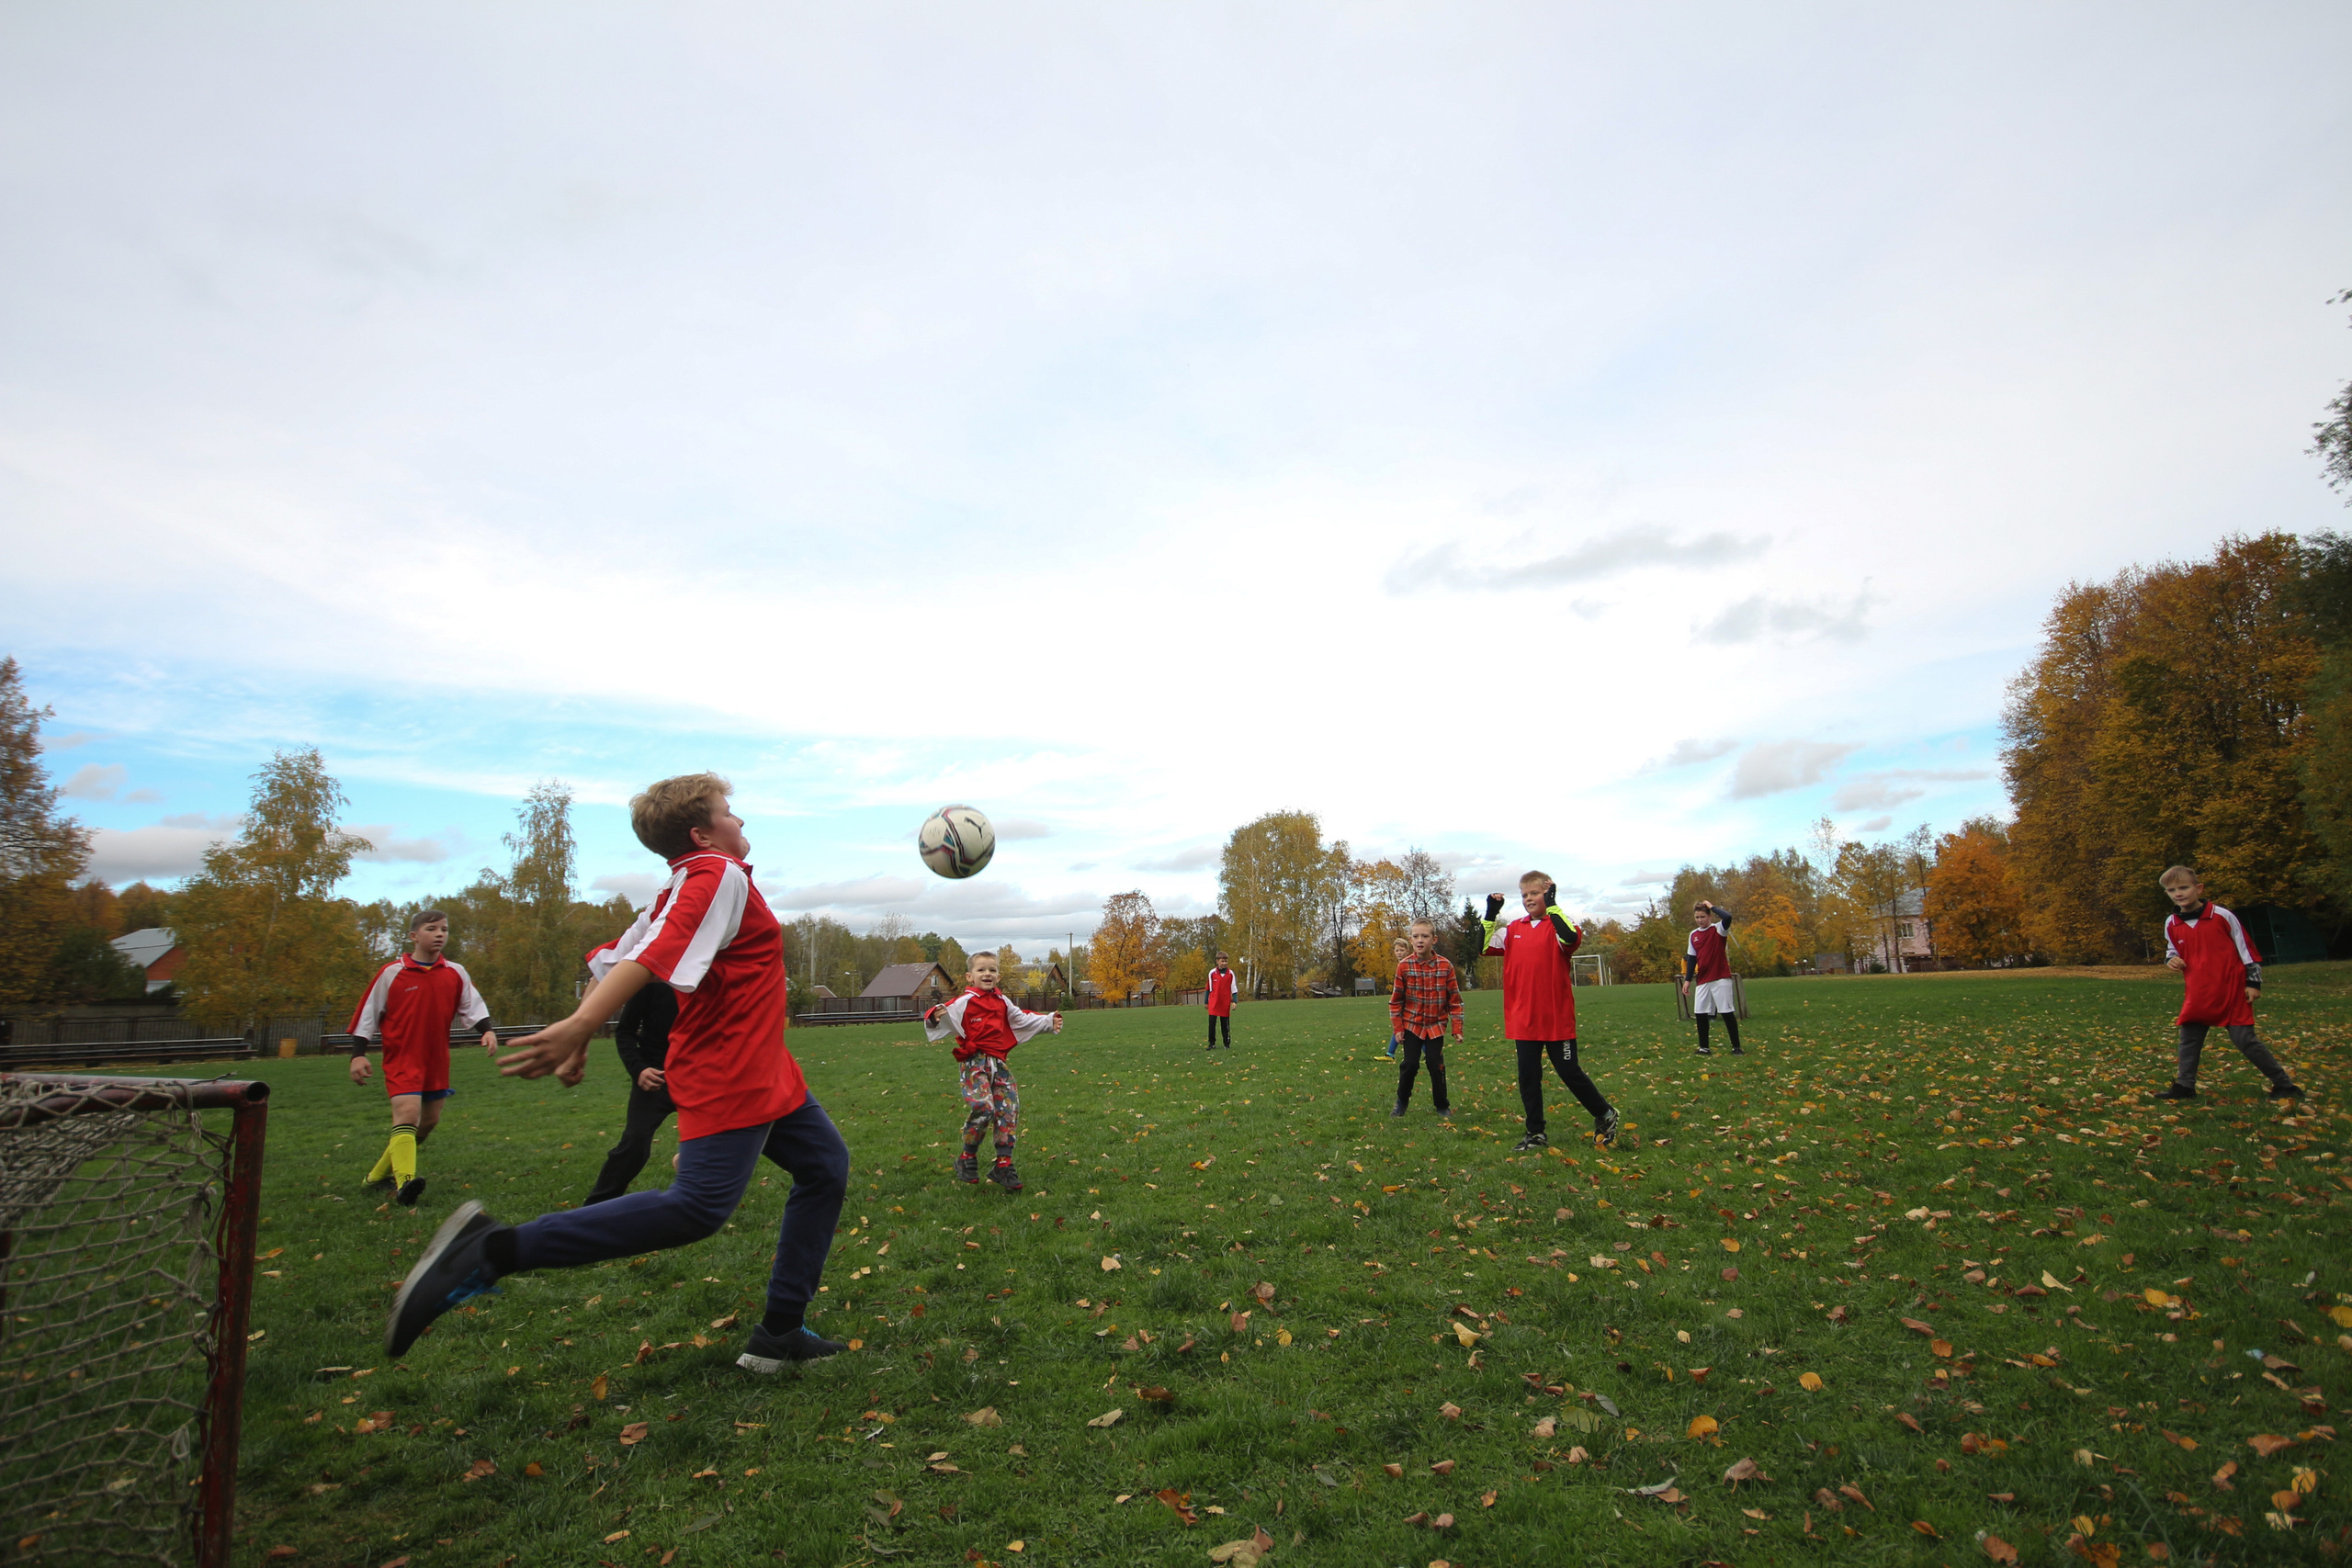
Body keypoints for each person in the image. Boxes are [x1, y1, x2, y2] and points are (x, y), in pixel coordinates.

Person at [383, 773, 852, 1374]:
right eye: (729, 811)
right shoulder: (717, 873)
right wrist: (582, 1025)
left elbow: (611, 960)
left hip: (765, 1066)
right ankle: (490, 1248)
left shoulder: (679, 887)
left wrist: (584, 1028)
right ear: (702, 832)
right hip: (730, 1069)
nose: (740, 821)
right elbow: (648, 959)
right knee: (697, 1209)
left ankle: (780, 1331)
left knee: (823, 1166)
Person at [347, 909, 499, 1208]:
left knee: (428, 1122)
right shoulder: (392, 972)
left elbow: (472, 1005)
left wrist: (487, 1030)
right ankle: (405, 1183)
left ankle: (375, 1177)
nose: (440, 934)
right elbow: (368, 1014)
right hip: (402, 1057)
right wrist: (358, 1054)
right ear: (414, 936)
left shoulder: (455, 972)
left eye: (444, 929)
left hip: (436, 1059)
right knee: (407, 1114)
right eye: (432, 929)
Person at [1482, 871, 1618, 1152]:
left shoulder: (1560, 925)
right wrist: (1491, 913)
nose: (1528, 899)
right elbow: (1483, 947)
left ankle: (1605, 1114)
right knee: (1528, 1077)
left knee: (1569, 1071)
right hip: (1524, 1017)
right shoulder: (1513, 930)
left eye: (1535, 893)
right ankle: (1536, 1133)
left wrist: (1553, 904)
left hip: (1556, 1016)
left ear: (1548, 893)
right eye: (1524, 895)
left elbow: (1570, 937)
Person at [2154, 866, 2301, 1101]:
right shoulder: (2172, 922)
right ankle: (2184, 1087)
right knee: (2189, 1039)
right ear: (2167, 894)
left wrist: (2253, 983)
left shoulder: (2222, 916)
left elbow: (2247, 951)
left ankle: (2285, 1086)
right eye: (2172, 890)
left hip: (2232, 990)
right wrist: (2171, 959)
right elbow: (2172, 949)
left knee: (2245, 1040)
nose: (2178, 893)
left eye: (2183, 887)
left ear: (2198, 888)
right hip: (2199, 992)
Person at [925, 950, 1063, 1190]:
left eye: (992, 970)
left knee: (1008, 1108)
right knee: (984, 1106)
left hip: (999, 1065)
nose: (987, 974)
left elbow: (1020, 1019)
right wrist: (934, 1017)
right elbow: (942, 1012)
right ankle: (967, 1157)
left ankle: (1003, 1165)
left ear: (998, 976)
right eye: (981, 970)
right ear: (970, 976)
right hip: (974, 1065)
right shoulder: (965, 1002)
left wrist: (1047, 1021)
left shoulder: (1002, 1001)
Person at [580, 981, 681, 1205]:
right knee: (634, 1145)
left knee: (735, 1135)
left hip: (698, 1076)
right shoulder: (652, 982)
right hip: (655, 1077)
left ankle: (688, 1161)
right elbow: (625, 1031)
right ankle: (595, 1208)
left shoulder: (710, 977)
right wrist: (639, 1069)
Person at [1389, 919, 1462, 1118]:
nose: (1420, 940)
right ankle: (1401, 1102)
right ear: (1411, 940)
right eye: (1416, 936)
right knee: (1410, 1064)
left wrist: (1457, 1028)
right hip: (1412, 1025)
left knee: (1435, 1064)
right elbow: (1396, 1002)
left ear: (1434, 939)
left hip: (1435, 1025)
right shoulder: (1404, 966)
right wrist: (1398, 1028)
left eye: (1425, 936)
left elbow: (1455, 1001)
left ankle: (1442, 1105)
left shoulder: (1445, 966)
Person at [1679, 899, 1743, 1056]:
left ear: (1709, 916)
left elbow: (1728, 917)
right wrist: (1687, 980)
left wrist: (1711, 906)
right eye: (1697, 917)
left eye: (1703, 916)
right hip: (1703, 979)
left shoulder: (1718, 929)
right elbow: (1692, 958)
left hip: (1720, 978)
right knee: (1700, 1013)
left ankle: (1736, 1047)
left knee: (1726, 1012)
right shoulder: (1693, 935)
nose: (1700, 920)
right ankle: (1704, 1048)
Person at [1385, 935, 1412, 1059]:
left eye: (1402, 950)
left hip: (1409, 1002)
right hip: (1402, 1001)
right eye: (1397, 950)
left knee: (1408, 1028)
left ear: (1407, 951)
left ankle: (1390, 1054)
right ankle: (1390, 1053)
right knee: (1400, 1027)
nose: (1399, 953)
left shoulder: (1409, 965)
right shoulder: (1400, 965)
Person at [1204, 953, 1240, 1049]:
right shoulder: (1212, 973)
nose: (1224, 963)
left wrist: (1235, 1001)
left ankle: (1226, 1044)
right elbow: (1208, 988)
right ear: (1217, 961)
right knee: (1212, 1024)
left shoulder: (1230, 973)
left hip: (1225, 1002)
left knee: (1225, 1024)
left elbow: (1234, 988)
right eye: (1222, 961)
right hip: (1214, 1002)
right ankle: (1212, 1043)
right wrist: (1206, 1002)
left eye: (1226, 961)